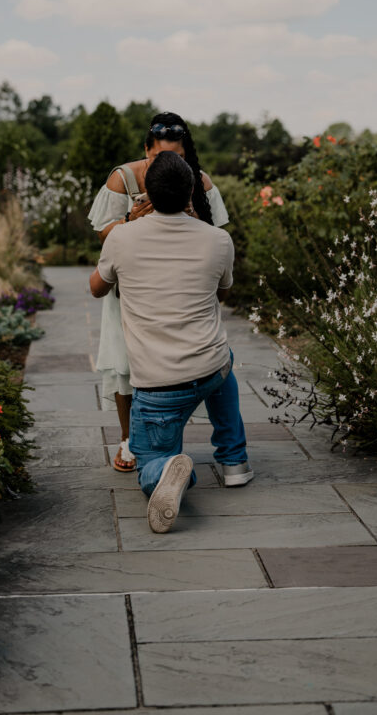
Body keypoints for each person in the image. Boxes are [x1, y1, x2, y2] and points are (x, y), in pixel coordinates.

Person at [90, 150, 253, 534]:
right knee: (222, 358)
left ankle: (165, 469)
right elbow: (222, 293)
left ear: (146, 192)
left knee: (147, 461)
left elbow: (96, 288)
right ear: (192, 191)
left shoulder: (122, 238)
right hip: (210, 369)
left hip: (158, 386)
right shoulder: (218, 239)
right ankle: (235, 462)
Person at [87, 112, 230, 472]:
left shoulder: (198, 180)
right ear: (145, 151)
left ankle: (160, 441)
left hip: (179, 284)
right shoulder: (121, 179)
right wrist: (133, 219)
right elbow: (103, 234)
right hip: (131, 283)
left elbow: (213, 235)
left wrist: (189, 214)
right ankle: (127, 439)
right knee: (124, 362)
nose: (167, 164)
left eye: (178, 158)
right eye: (157, 158)